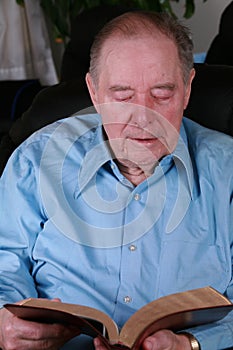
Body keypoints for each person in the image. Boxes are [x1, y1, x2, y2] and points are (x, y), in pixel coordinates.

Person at [0, 10, 233, 350]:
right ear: (94, 93)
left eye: (163, 93)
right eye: (123, 95)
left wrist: (191, 343)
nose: (143, 116)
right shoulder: (36, 160)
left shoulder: (227, 172)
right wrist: (4, 322)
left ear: (187, 89)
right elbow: (4, 261)